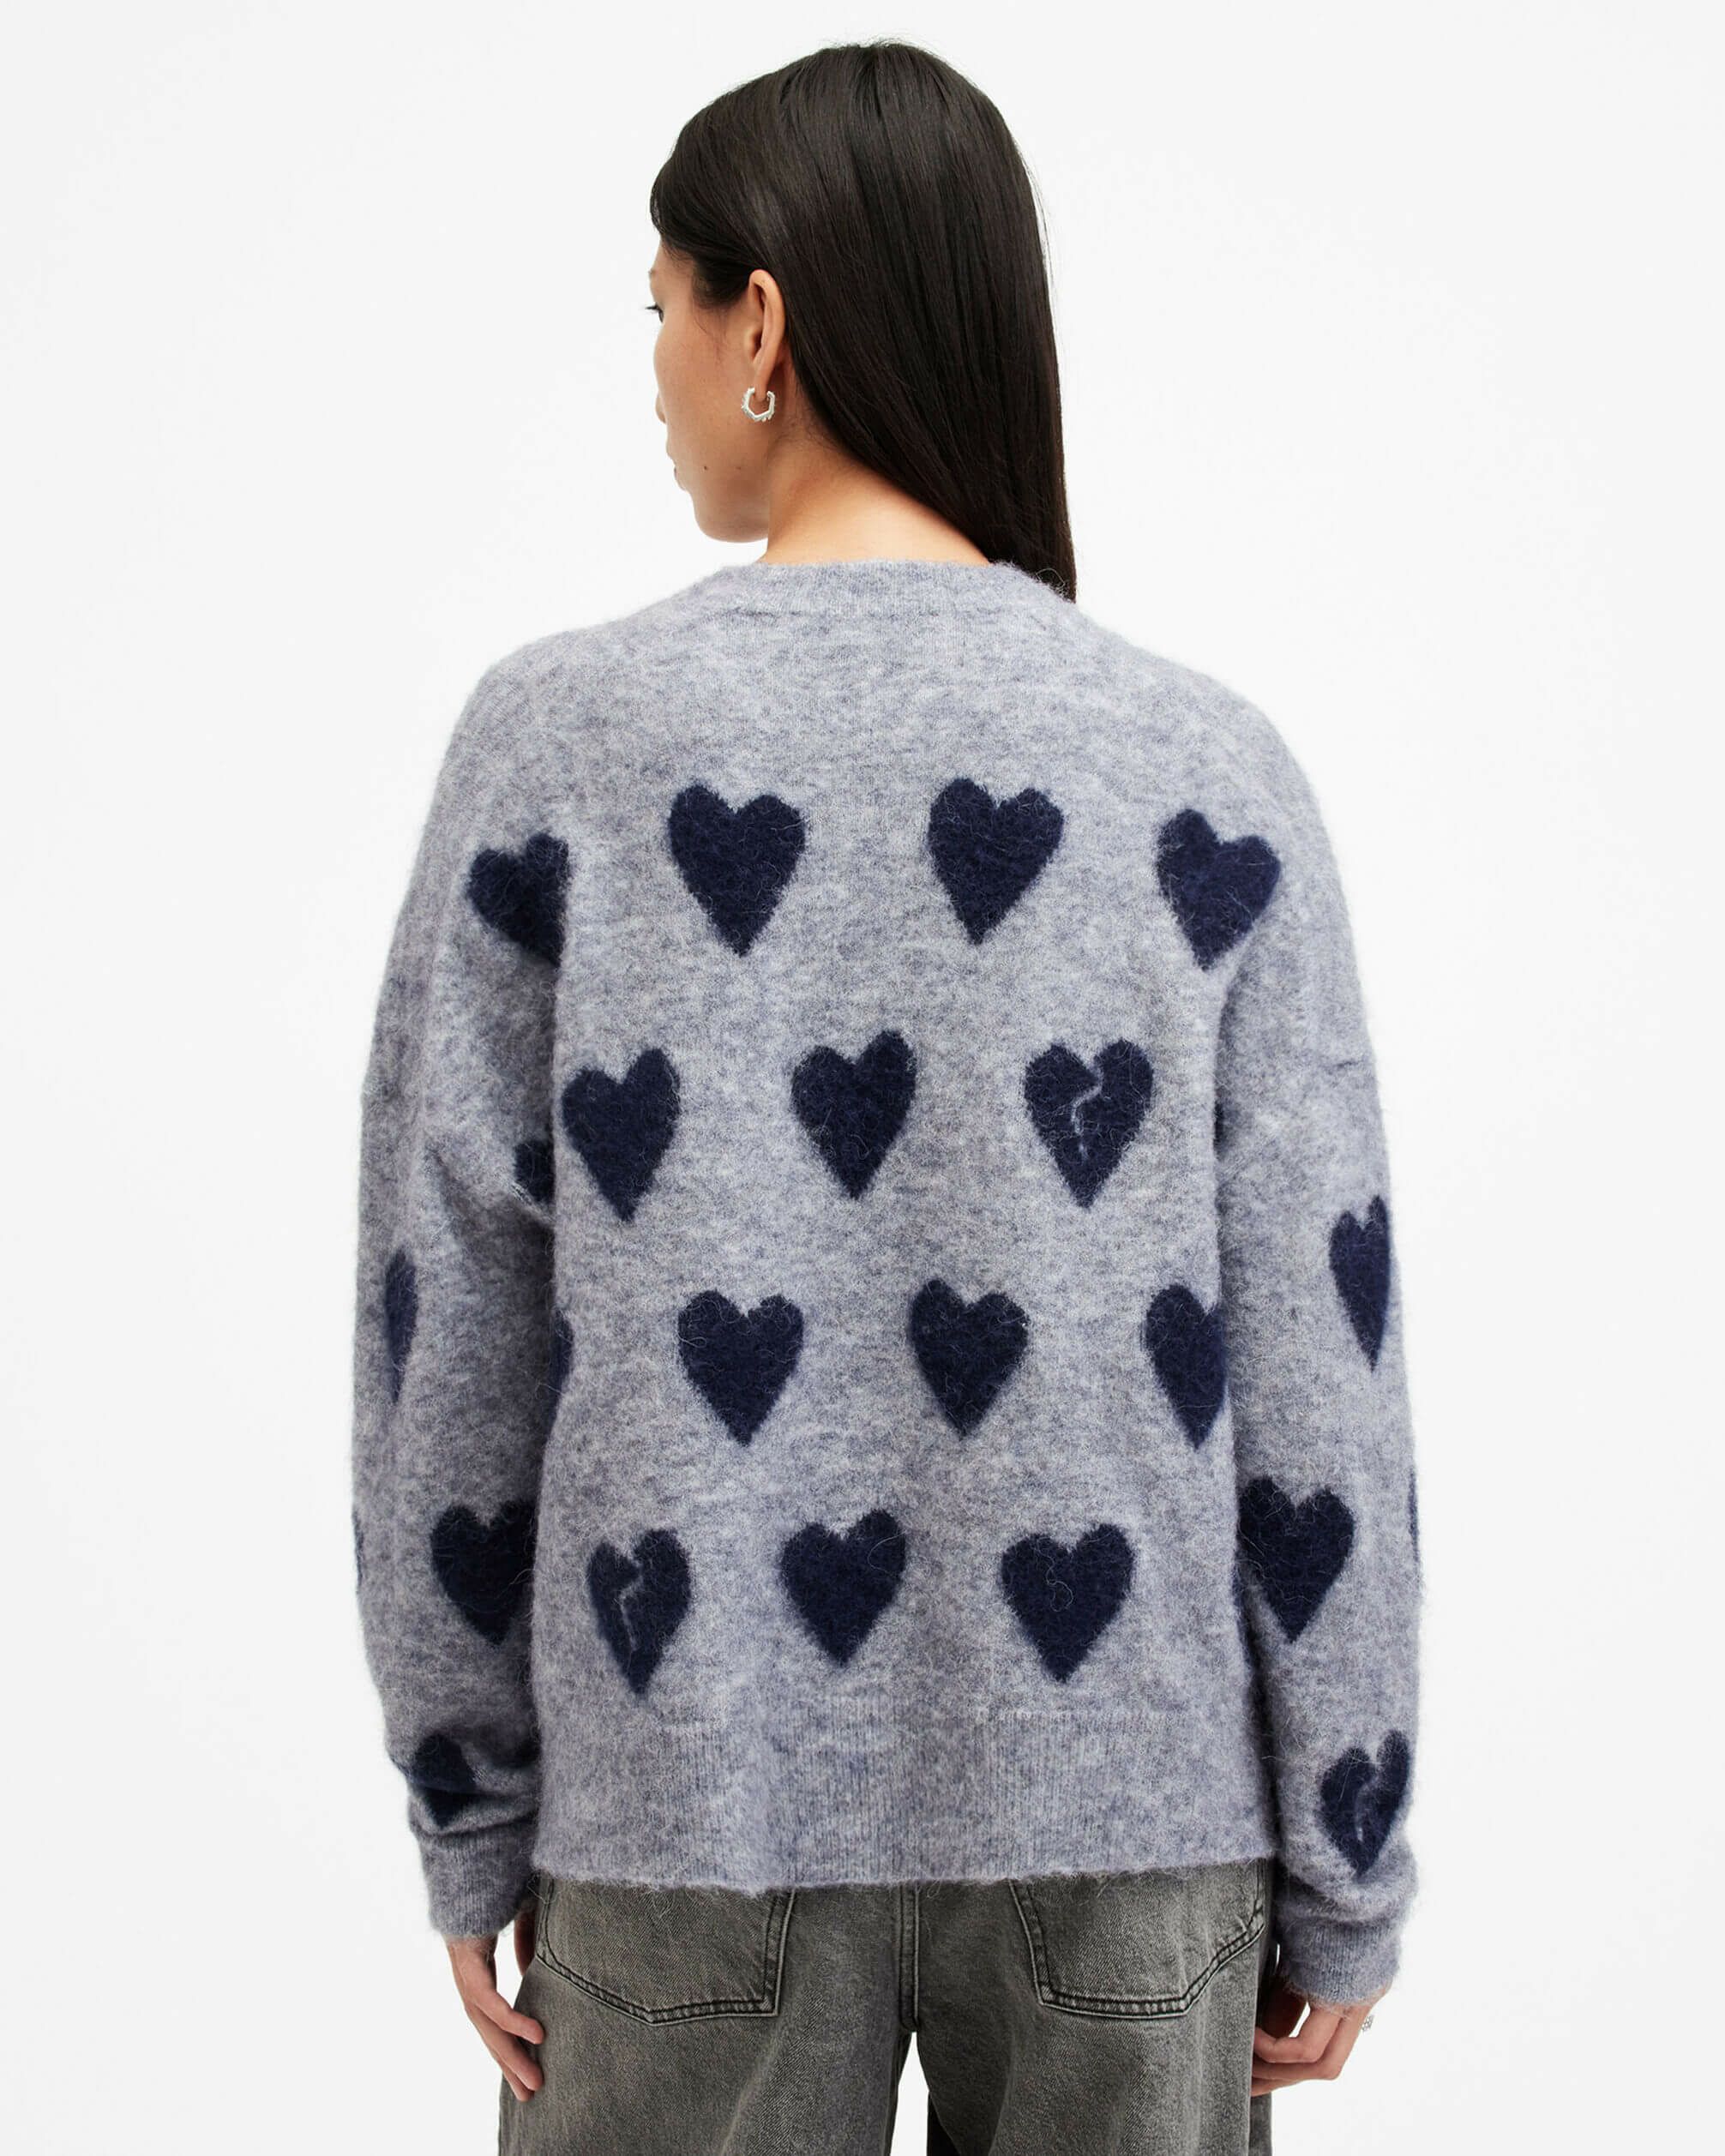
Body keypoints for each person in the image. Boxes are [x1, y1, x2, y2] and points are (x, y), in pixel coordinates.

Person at [349, 39, 1421, 2155]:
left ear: (760, 325)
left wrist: (468, 1802)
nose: (655, 369)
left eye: (661, 307)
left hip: (683, 1809)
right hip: (1134, 1819)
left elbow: (445, 1314)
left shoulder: (557, 748)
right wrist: (1347, 1838)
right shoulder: (1204, 773)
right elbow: (1322, 1340)